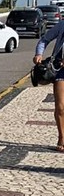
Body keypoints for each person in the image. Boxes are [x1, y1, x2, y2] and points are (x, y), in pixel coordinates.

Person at [34, 16, 64, 151]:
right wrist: (39, 54)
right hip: (60, 69)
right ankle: (62, 137)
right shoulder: (62, 25)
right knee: (60, 106)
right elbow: (44, 40)